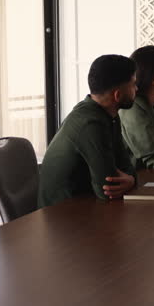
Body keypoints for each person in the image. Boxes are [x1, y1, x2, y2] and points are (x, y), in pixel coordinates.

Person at [38, 54, 139, 207]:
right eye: (133, 84)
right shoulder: (90, 124)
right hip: (61, 216)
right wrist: (131, 180)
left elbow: (127, 166)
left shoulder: (110, 115)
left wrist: (131, 180)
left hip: (85, 205)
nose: (136, 89)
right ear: (117, 95)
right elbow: (106, 190)